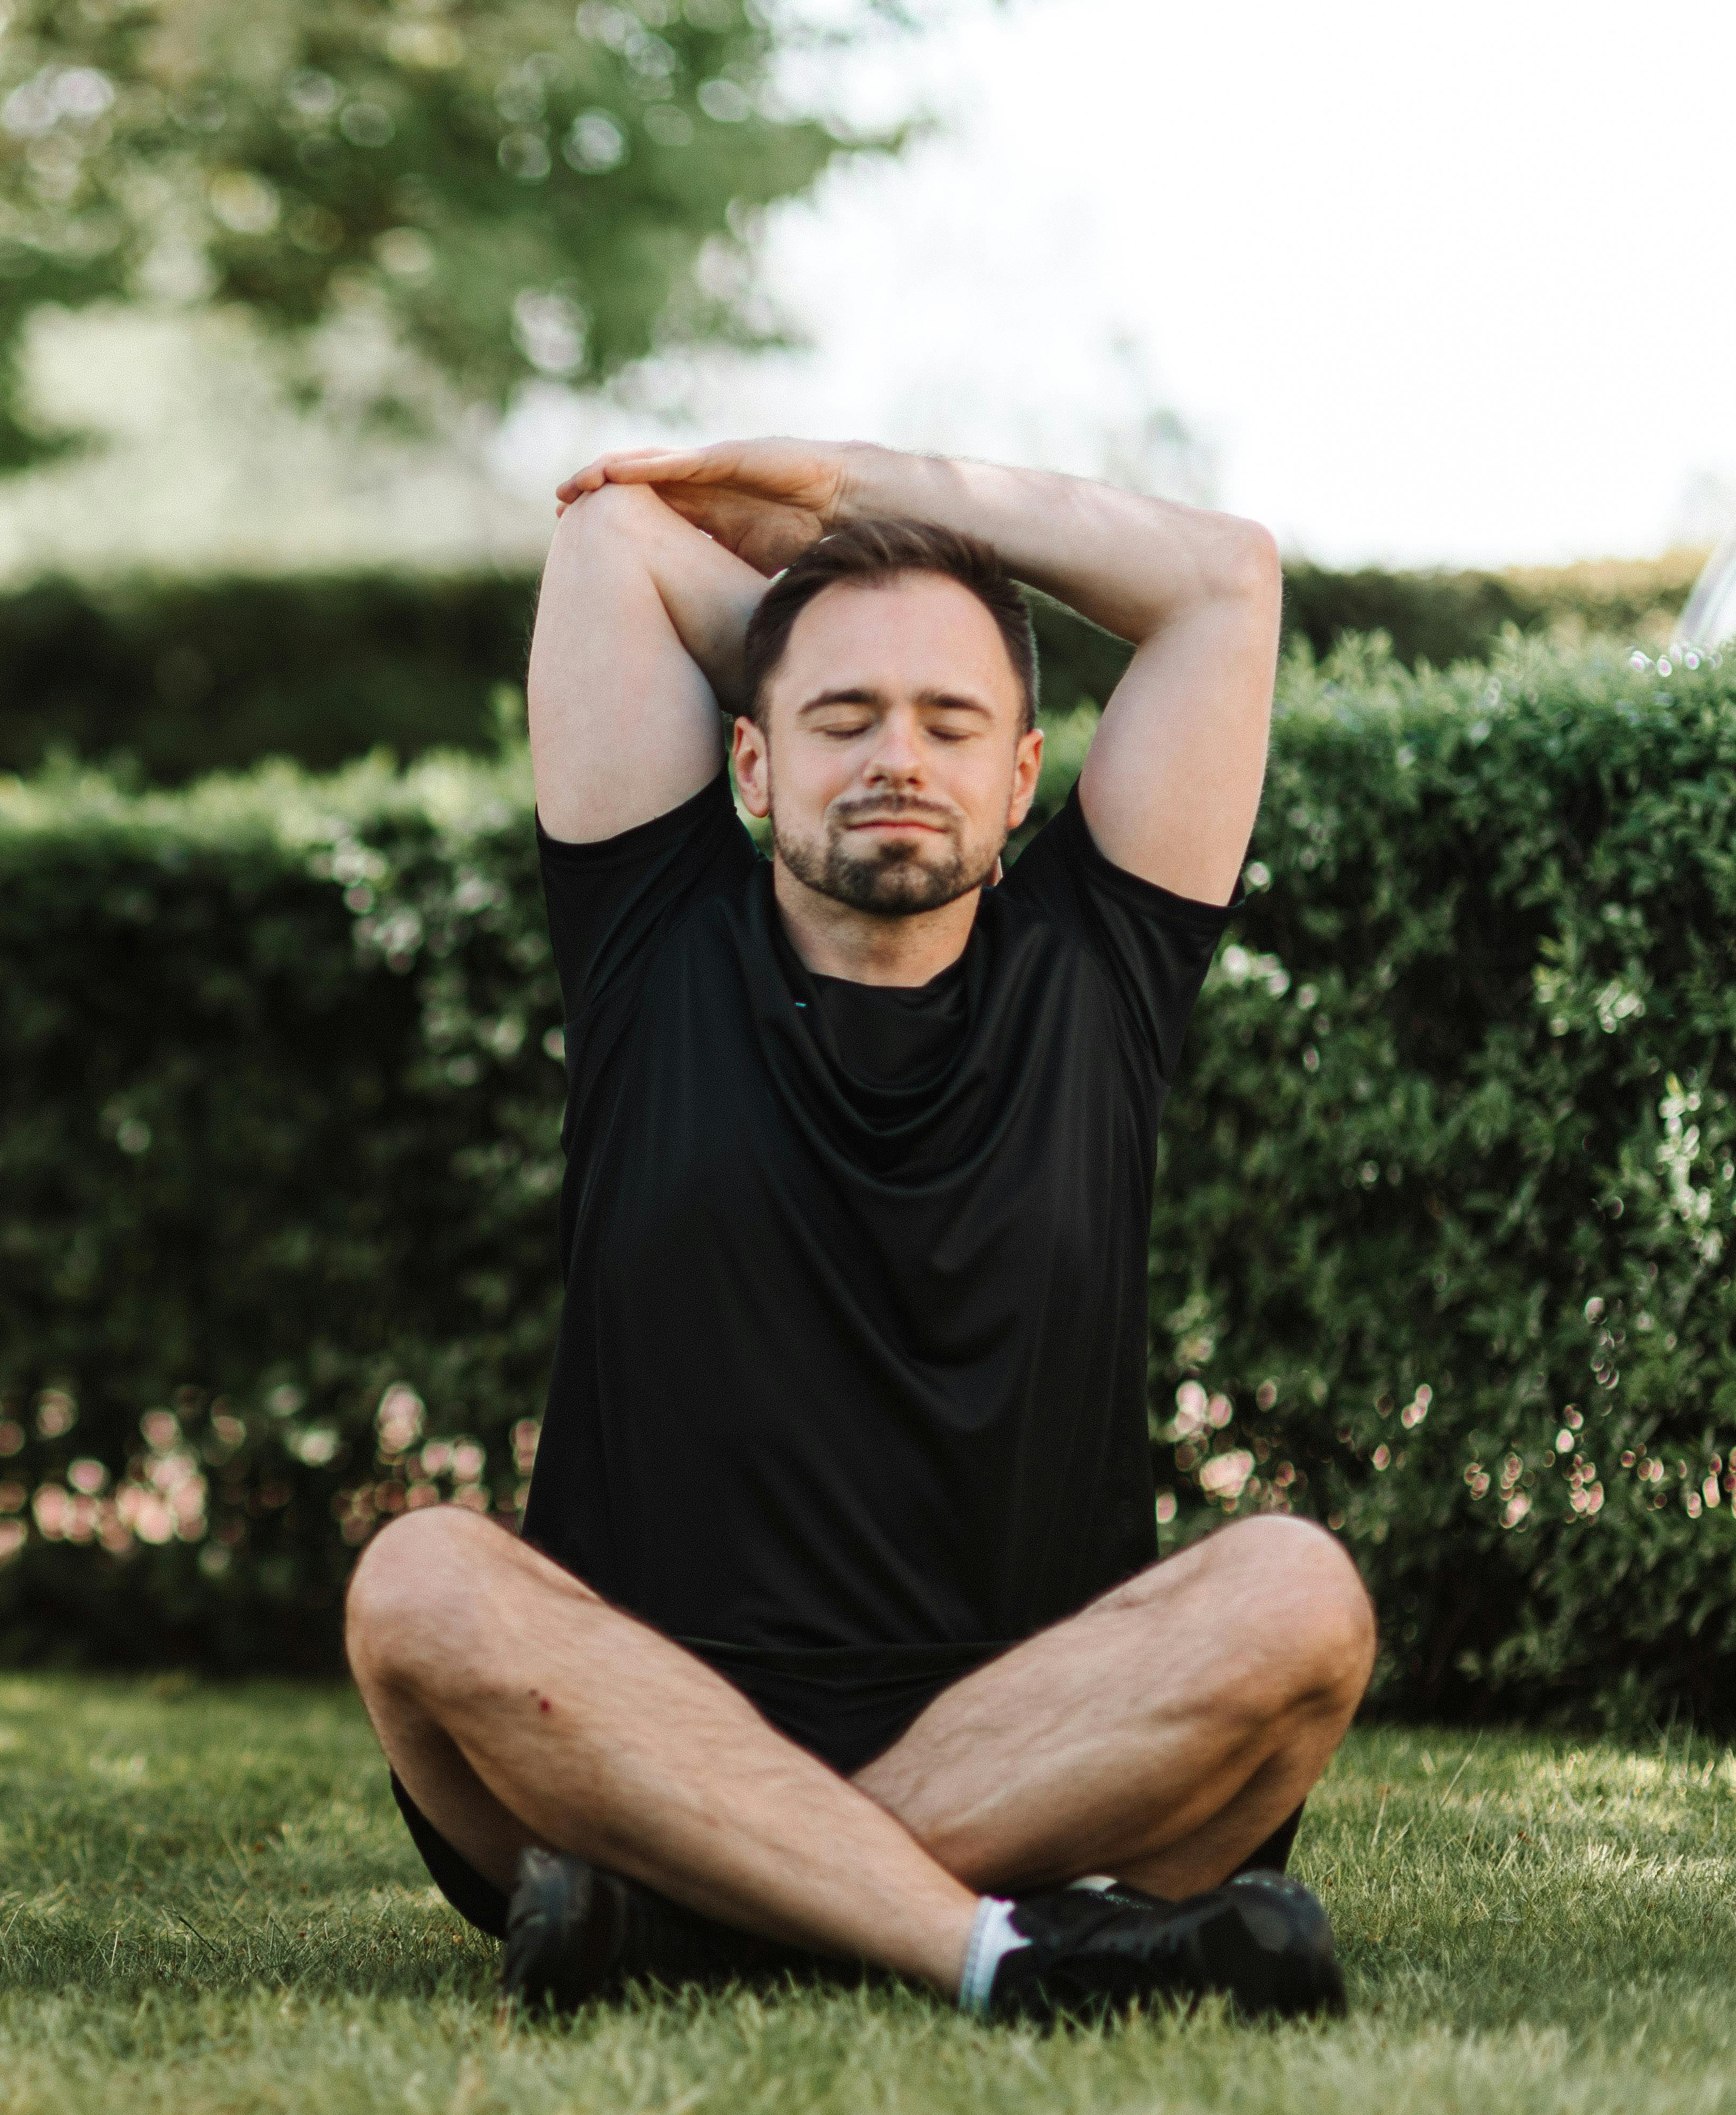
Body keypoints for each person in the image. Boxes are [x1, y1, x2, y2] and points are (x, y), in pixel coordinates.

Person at [343, 440, 1376, 2021]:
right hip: (627, 1712)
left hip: (1050, 1739)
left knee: (1300, 1597)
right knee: (419, 1583)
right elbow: (612, 532)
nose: (897, 752)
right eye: (839, 717)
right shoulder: (650, 935)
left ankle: (695, 1912)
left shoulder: (1103, 964)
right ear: (749, 765)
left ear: (1022, 775)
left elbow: (1222, 578)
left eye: (949, 720)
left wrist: (858, 494)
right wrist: (833, 587)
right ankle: (1002, 1947)